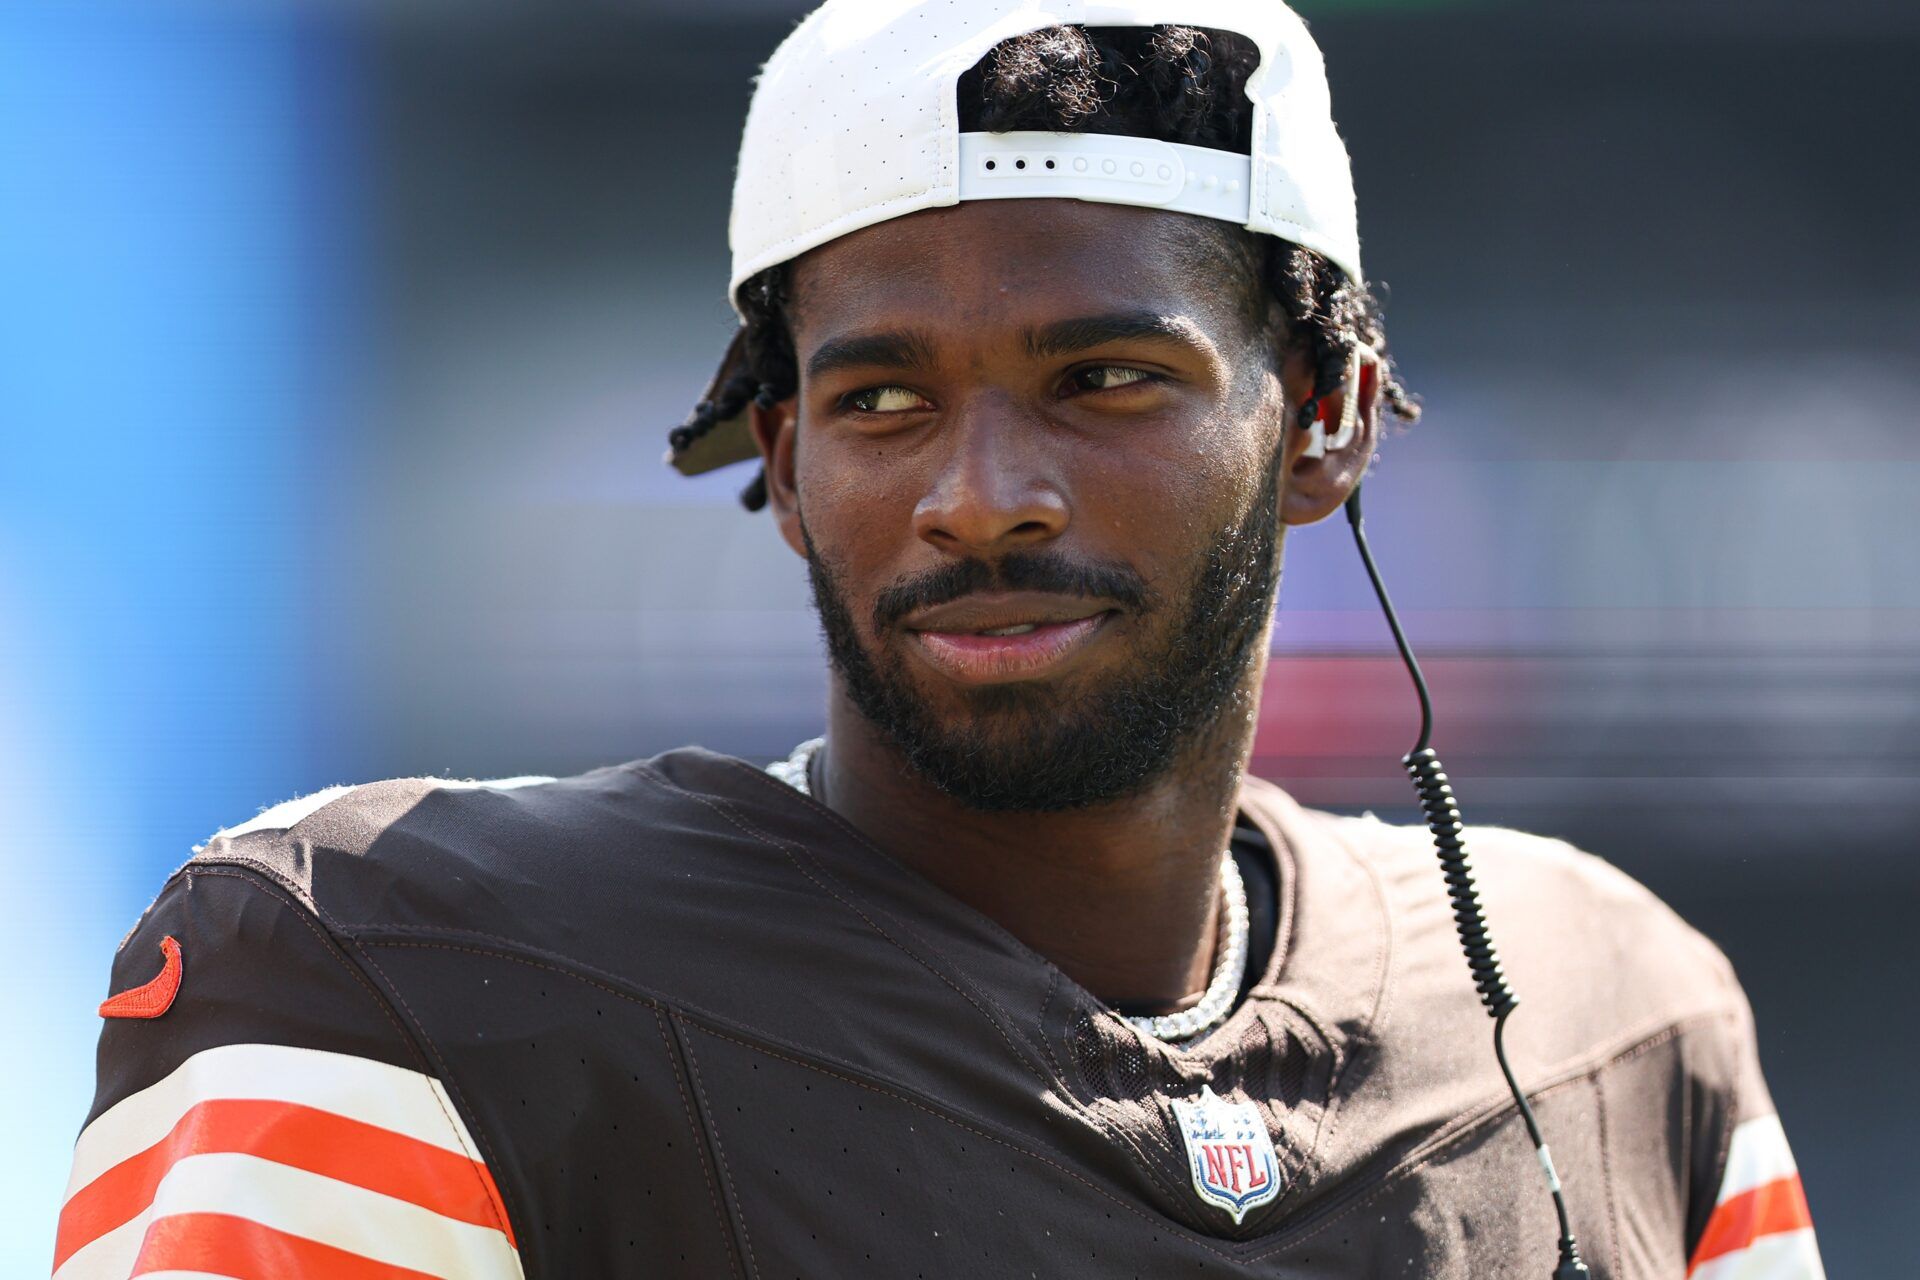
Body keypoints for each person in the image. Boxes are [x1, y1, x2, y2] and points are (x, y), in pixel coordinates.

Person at [54, 3, 1825, 1277]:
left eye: (1104, 378)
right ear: (787, 456)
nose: (984, 496)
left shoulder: (1614, 1015)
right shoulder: (390, 972)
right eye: (886, 395)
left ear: (1325, 419)